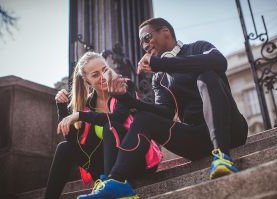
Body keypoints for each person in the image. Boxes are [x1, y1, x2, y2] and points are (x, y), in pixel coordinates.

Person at [77, 17, 248, 199]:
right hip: (198, 141)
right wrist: (125, 98)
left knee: (206, 75)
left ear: (165, 32)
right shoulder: (159, 78)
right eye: (141, 42)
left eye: (146, 38)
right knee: (144, 118)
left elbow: (219, 62)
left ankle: (222, 155)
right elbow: (164, 113)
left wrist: (161, 64)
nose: (144, 45)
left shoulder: (198, 48)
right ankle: (117, 181)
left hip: (231, 131)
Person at [44, 52, 144, 199]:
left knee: (111, 127)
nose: (103, 77)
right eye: (95, 74)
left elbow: (118, 117)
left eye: (104, 70)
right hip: (102, 168)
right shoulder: (87, 105)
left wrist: (80, 115)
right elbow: (74, 141)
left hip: (133, 160)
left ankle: (113, 184)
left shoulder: (123, 85)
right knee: (64, 147)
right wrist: (62, 107)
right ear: (87, 80)